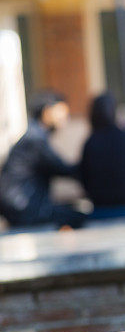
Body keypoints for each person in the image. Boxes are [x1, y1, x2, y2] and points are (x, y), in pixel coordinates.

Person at [0, 91, 86, 229]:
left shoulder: (34, 135)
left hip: (22, 206)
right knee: (80, 218)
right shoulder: (35, 140)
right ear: (47, 112)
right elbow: (62, 168)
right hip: (25, 207)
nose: (65, 118)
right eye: (61, 112)